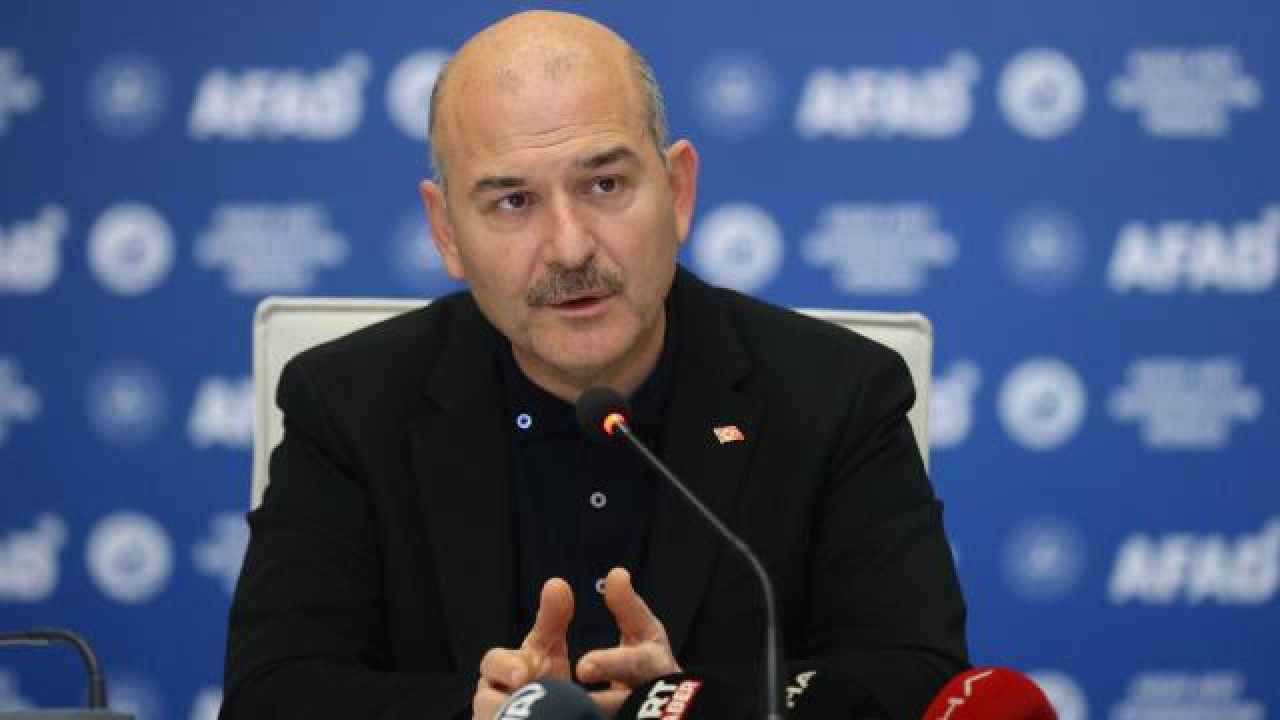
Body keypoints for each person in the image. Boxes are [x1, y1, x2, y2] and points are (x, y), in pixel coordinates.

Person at [220, 10, 968, 720]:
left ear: (677, 191)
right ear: (447, 232)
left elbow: (919, 684)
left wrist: (684, 705)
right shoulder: (348, 406)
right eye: (513, 201)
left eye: (605, 185)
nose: (570, 247)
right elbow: (273, 696)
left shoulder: (836, 394)